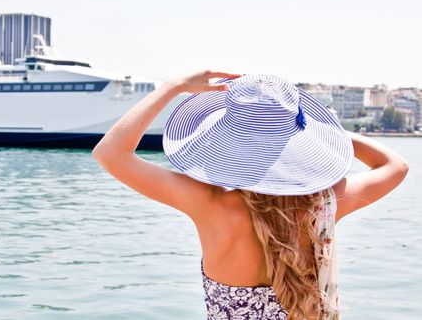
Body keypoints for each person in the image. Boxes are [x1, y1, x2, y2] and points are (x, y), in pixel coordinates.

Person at [92, 71, 409, 320]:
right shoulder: (323, 205)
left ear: (229, 138)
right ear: (298, 138)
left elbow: (111, 153)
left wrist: (173, 87)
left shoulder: (209, 203)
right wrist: (322, 132)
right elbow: (395, 165)